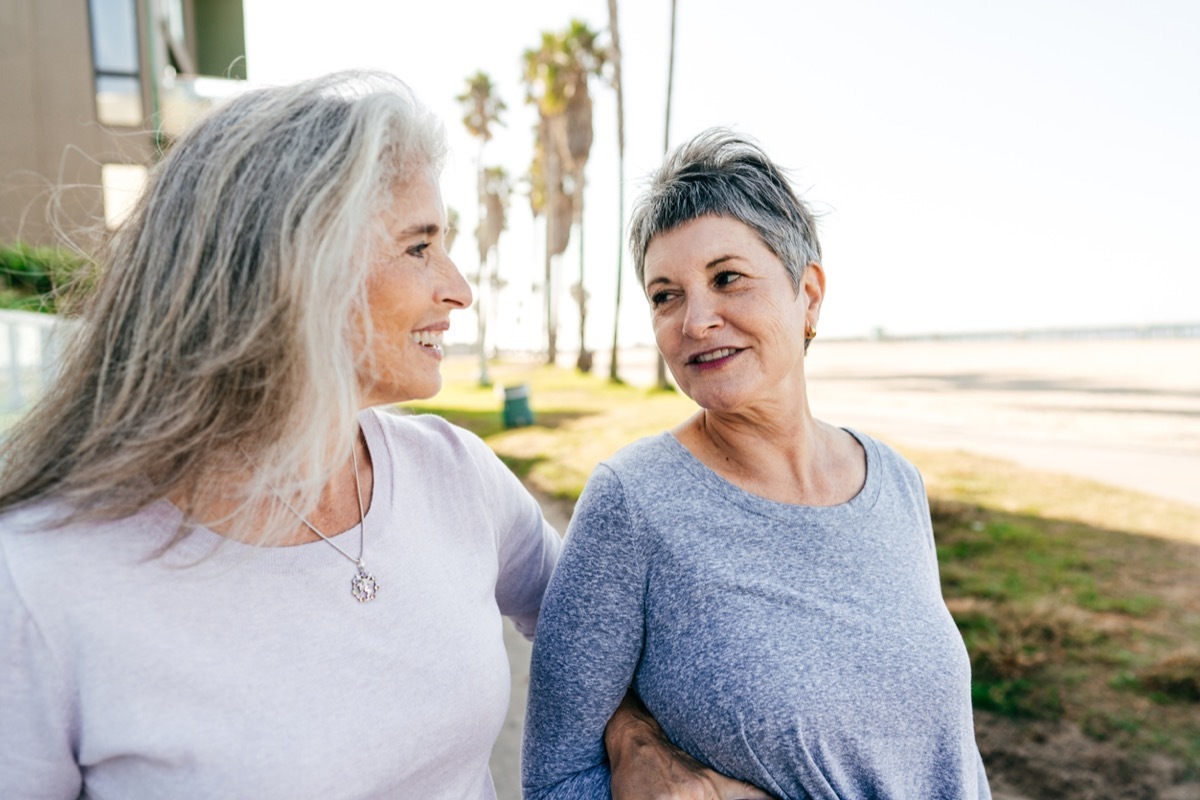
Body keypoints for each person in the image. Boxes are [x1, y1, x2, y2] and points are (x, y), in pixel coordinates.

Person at [0, 71, 696, 799]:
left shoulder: (456, 474)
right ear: (293, 270)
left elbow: (592, 636)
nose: (459, 288)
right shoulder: (42, 577)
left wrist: (634, 739)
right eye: (419, 246)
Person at [522, 129, 993, 799]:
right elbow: (557, 780)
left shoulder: (895, 482)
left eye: (727, 278)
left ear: (809, 293)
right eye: (666, 295)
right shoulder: (633, 502)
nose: (696, 319)